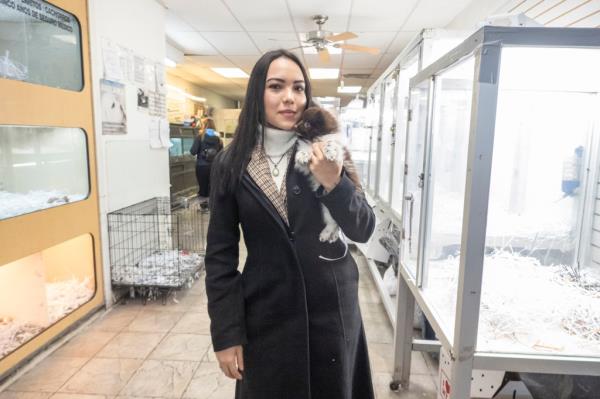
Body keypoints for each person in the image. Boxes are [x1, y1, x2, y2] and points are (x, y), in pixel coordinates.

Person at [204, 48, 376, 399]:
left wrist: (333, 182)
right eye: (276, 87)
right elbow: (220, 256)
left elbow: (363, 227)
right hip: (267, 313)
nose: (289, 98)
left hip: (331, 310)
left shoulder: (328, 149)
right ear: (258, 93)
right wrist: (226, 333)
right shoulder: (231, 163)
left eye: (298, 88)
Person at [190, 118, 222, 208]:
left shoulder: (200, 137)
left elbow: (193, 151)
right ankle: (212, 208)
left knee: (203, 187)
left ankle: (204, 207)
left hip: (202, 166)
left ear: (204, 126)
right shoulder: (218, 138)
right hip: (214, 166)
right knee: (212, 187)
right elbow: (221, 153)